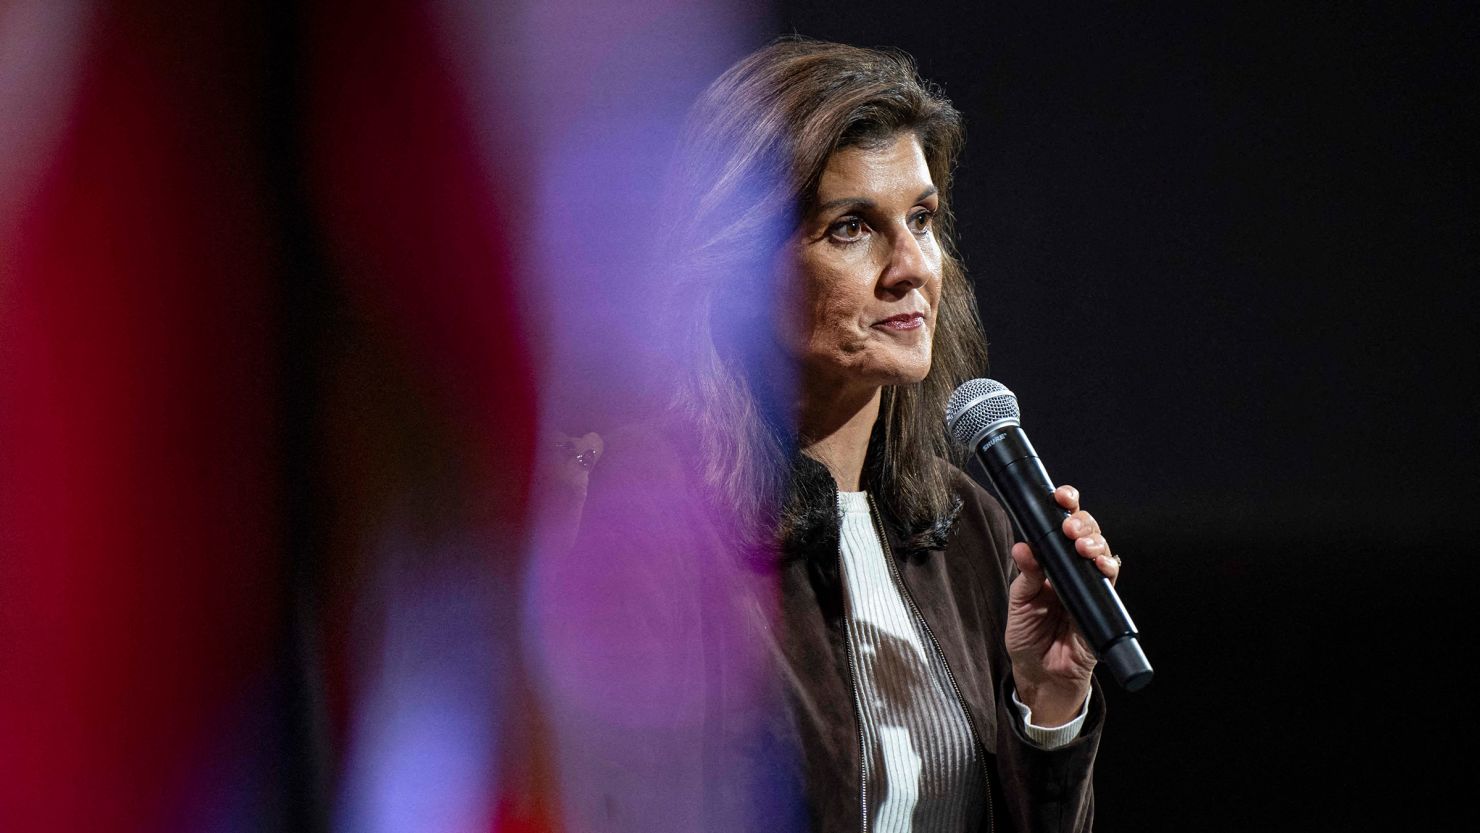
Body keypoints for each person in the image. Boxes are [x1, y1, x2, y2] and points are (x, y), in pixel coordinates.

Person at [525, 37, 1121, 833]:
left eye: (921, 218)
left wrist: (1050, 703)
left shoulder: (971, 527)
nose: (912, 266)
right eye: (852, 227)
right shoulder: (652, 511)